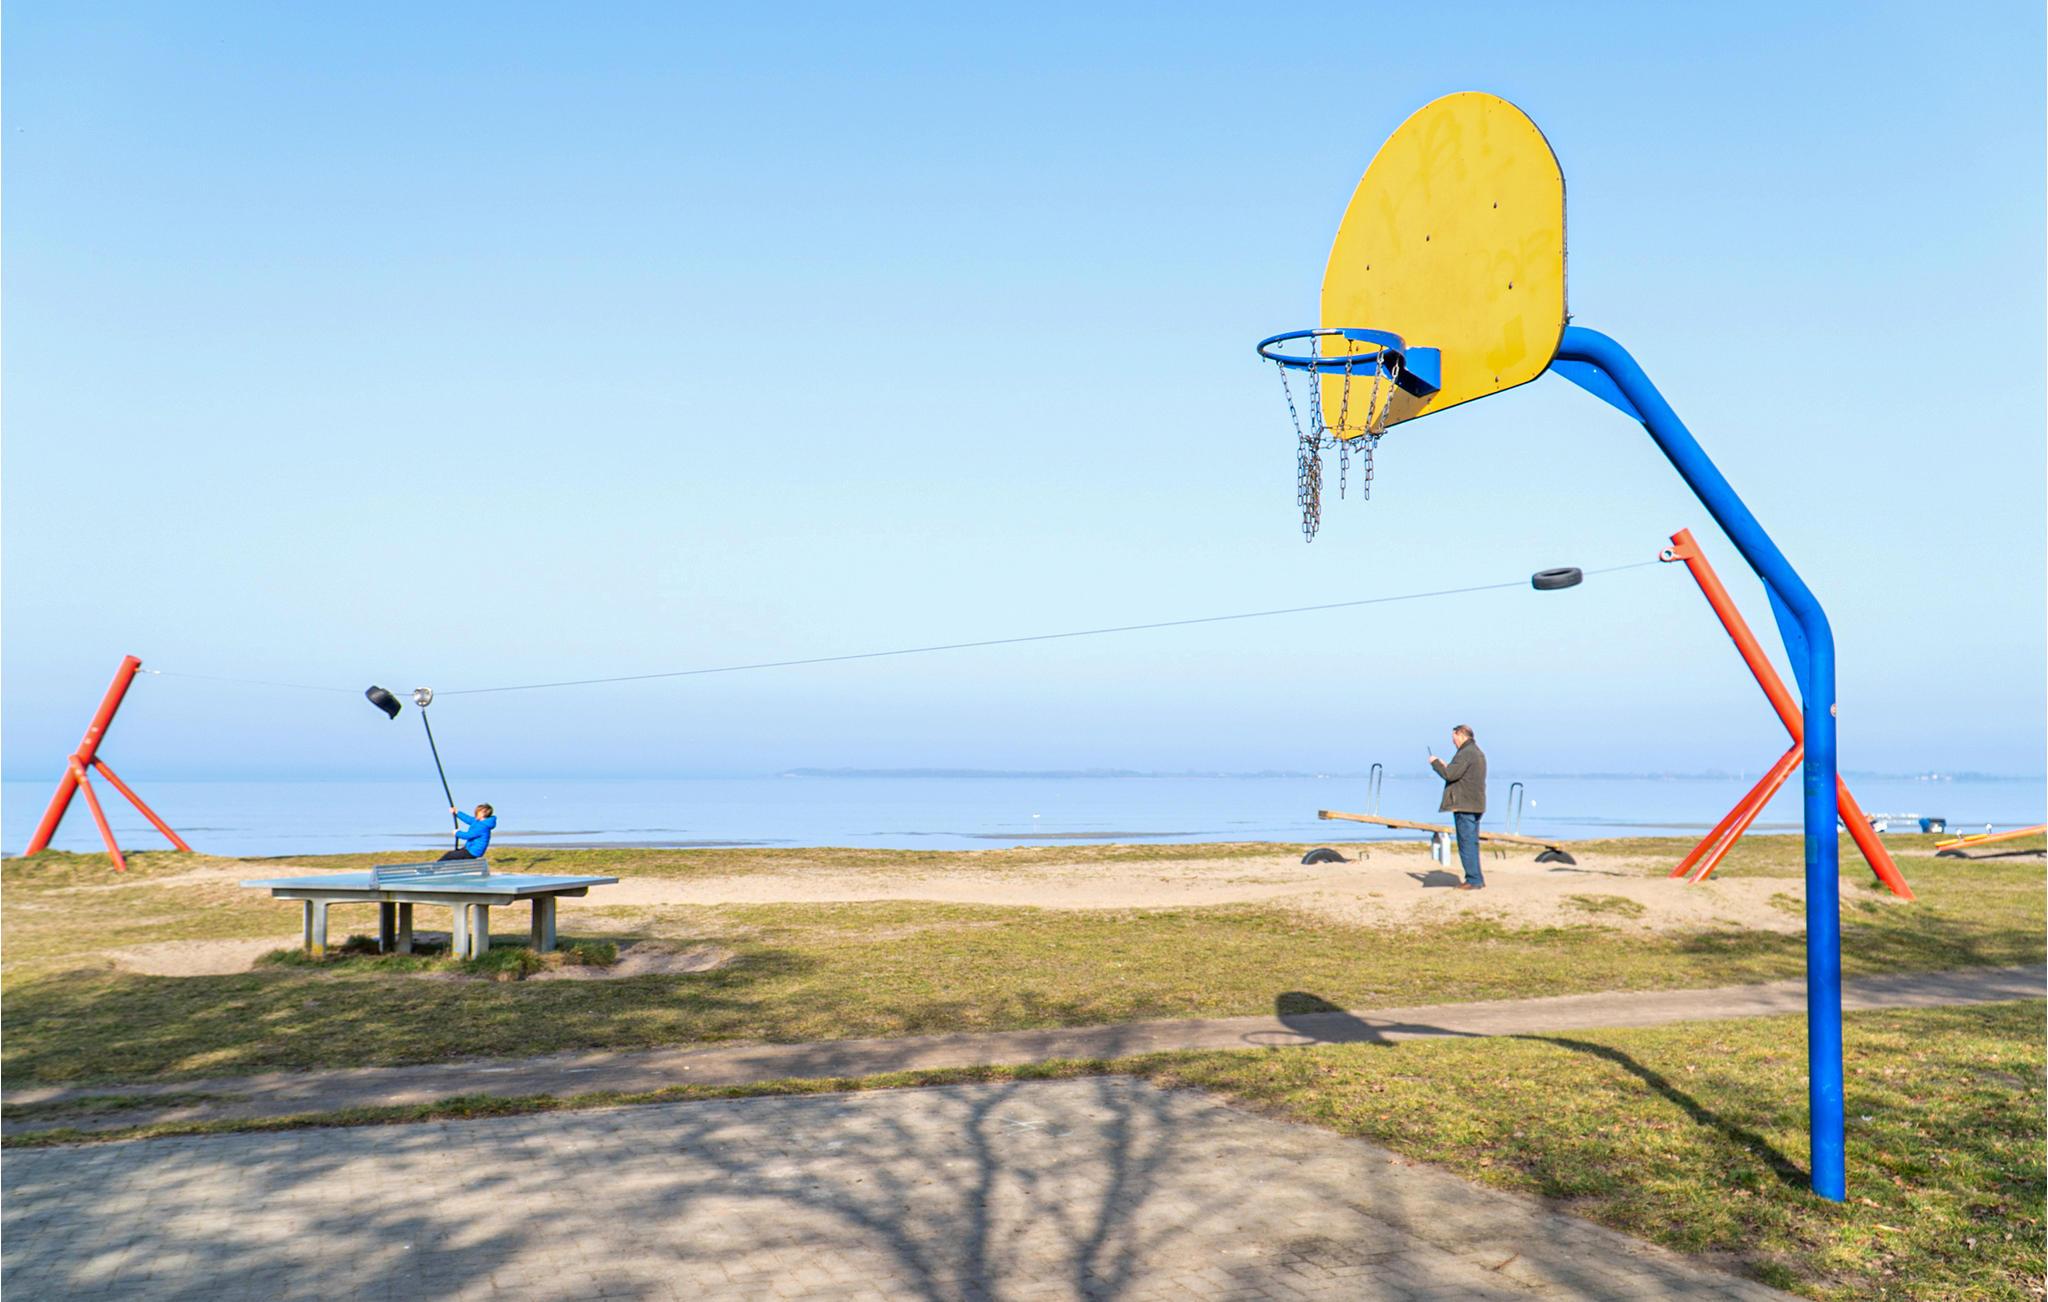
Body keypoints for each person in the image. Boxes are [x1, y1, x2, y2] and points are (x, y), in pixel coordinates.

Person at [1427, 726, 1487, 890]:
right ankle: (1476, 878)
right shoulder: (1476, 752)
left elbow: (1450, 774)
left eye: (1454, 738)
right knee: (1471, 843)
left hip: (1466, 805)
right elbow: (1458, 772)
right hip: (1475, 804)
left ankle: (1473, 880)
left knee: (1466, 843)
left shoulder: (1466, 753)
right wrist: (1446, 766)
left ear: (1461, 735)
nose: (1453, 742)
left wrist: (1435, 763)